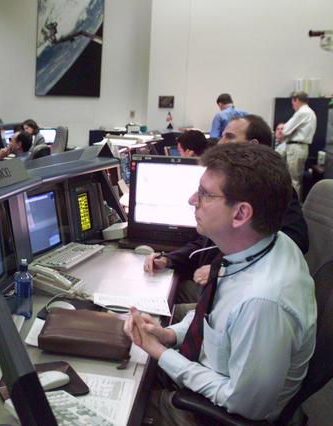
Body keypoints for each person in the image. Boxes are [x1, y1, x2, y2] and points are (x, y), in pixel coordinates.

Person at [127, 143, 316, 424]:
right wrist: (171, 336)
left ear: (241, 214)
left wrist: (161, 353)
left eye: (204, 194)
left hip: (218, 415)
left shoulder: (263, 302)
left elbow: (245, 405)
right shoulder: (262, 244)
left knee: (122, 402)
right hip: (211, 366)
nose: (192, 200)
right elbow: (215, 313)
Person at [145, 114, 309, 308]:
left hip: (231, 288)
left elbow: (295, 239)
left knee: (159, 301)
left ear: (252, 145)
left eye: (229, 137)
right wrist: (168, 259)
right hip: (220, 285)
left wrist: (223, 269)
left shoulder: (267, 190)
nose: (220, 142)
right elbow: (206, 244)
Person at [280, 91, 317, 198]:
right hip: (301, 147)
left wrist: (282, 134)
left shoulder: (302, 112)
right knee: (296, 179)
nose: (293, 106)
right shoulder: (310, 112)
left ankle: (292, 205)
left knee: (293, 180)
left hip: (296, 147)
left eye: (293, 103)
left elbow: (285, 130)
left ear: (296, 100)